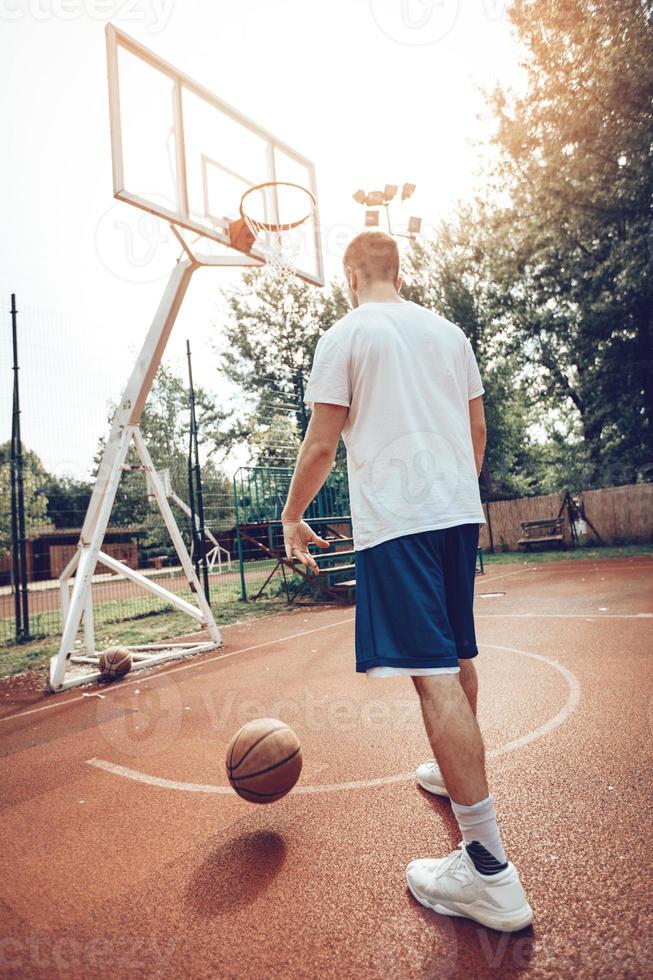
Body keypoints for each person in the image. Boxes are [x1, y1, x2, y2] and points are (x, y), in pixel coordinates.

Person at [281, 230, 532, 932]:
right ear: (397, 269)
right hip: (455, 511)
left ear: (348, 276)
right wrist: (454, 487)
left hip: (398, 520)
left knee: (432, 674)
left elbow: (323, 441)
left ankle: (486, 868)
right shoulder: (448, 333)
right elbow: (476, 430)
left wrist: (292, 514)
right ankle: (452, 777)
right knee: (456, 656)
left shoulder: (348, 333)